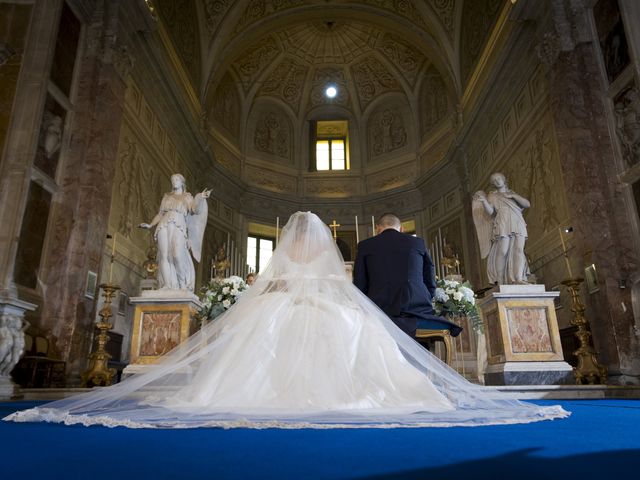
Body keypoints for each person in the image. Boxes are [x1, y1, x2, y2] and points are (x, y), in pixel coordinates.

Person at [4, 212, 568, 428]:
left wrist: (276, 290)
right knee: (349, 331)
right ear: (321, 241)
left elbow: (265, 288)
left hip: (281, 304)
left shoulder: (280, 266)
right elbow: (349, 294)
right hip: (337, 304)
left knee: (265, 332)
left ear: (289, 241)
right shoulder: (331, 266)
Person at [353, 213, 462, 337]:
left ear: (377, 228)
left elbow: (359, 283)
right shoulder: (417, 243)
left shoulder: (365, 246)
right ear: (401, 229)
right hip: (415, 309)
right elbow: (429, 277)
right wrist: (425, 298)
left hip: (379, 310)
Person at [139, 174, 211, 291]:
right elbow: (160, 213)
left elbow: (195, 210)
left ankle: (182, 283)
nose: (174, 182)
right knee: (164, 255)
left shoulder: (187, 197)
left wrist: (201, 197)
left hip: (179, 224)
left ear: (182, 182)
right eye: (172, 180)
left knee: (177, 254)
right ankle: (167, 284)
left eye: (176, 179)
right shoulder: (167, 196)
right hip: (164, 223)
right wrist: (151, 225)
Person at [472, 172, 530, 285]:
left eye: (498, 178)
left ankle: (518, 279)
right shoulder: (492, 196)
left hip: (517, 220)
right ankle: (500, 280)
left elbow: (527, 204)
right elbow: (490, 212)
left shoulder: (512, 194)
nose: (497, 181)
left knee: (519, 249)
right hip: (503, 221)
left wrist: (513, 196)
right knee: (503, 250)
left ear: (504, 179)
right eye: (494, 180)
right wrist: (484, 201)